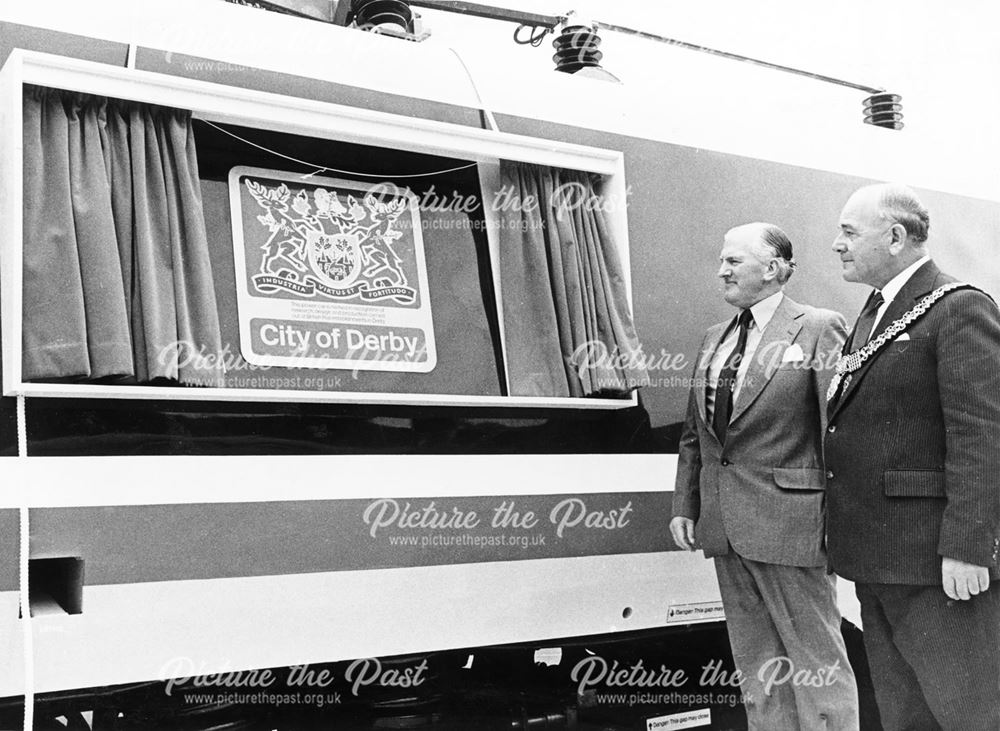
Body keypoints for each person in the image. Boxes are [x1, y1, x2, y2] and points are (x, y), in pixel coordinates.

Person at [825, 183, 1000, 730]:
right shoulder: (875, 313)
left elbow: (982, 433)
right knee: (905, 715)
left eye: (850, 232)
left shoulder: (959, 307)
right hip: (878, 559)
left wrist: (969, 548)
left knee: (968, 712)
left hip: (934, 562)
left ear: (896, 237)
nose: (837, 245)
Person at [671, 222, 858, 729]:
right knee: (758, 671)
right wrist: (687, 505)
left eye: (733, 261)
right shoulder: (715, 337)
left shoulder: (818, 327)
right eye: (722, 260)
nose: (721, 270)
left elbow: (837, 430)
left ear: (772, 269)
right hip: (726, 528)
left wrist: (837, 522)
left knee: (816, 665)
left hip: (793, 527)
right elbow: (698, 432)